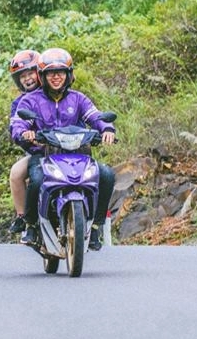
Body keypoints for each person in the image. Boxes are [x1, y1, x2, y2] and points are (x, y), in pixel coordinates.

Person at [9, 47, 116, 250]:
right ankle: (30, 225)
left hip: (79, 155)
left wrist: (107, 129)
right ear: (44, 75)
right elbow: (17, 124)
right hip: (45, 155)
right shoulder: (30, 100)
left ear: (69, 75)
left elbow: (95, 116)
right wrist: (25, 133)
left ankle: (95, 227)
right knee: (37, 178)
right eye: (50, 73)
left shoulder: (78, 99)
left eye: (60, 72)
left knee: (107, 174)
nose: (56, 77)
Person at [7, 49, 41, 237]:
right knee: (16, 173)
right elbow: (15, 128)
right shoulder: (19, 103)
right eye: (23, 76)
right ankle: (24, 217)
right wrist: (27, 137)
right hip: (39, 152)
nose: (27, 78)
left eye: (30, 73)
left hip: (65, 149)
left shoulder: (52, 92)